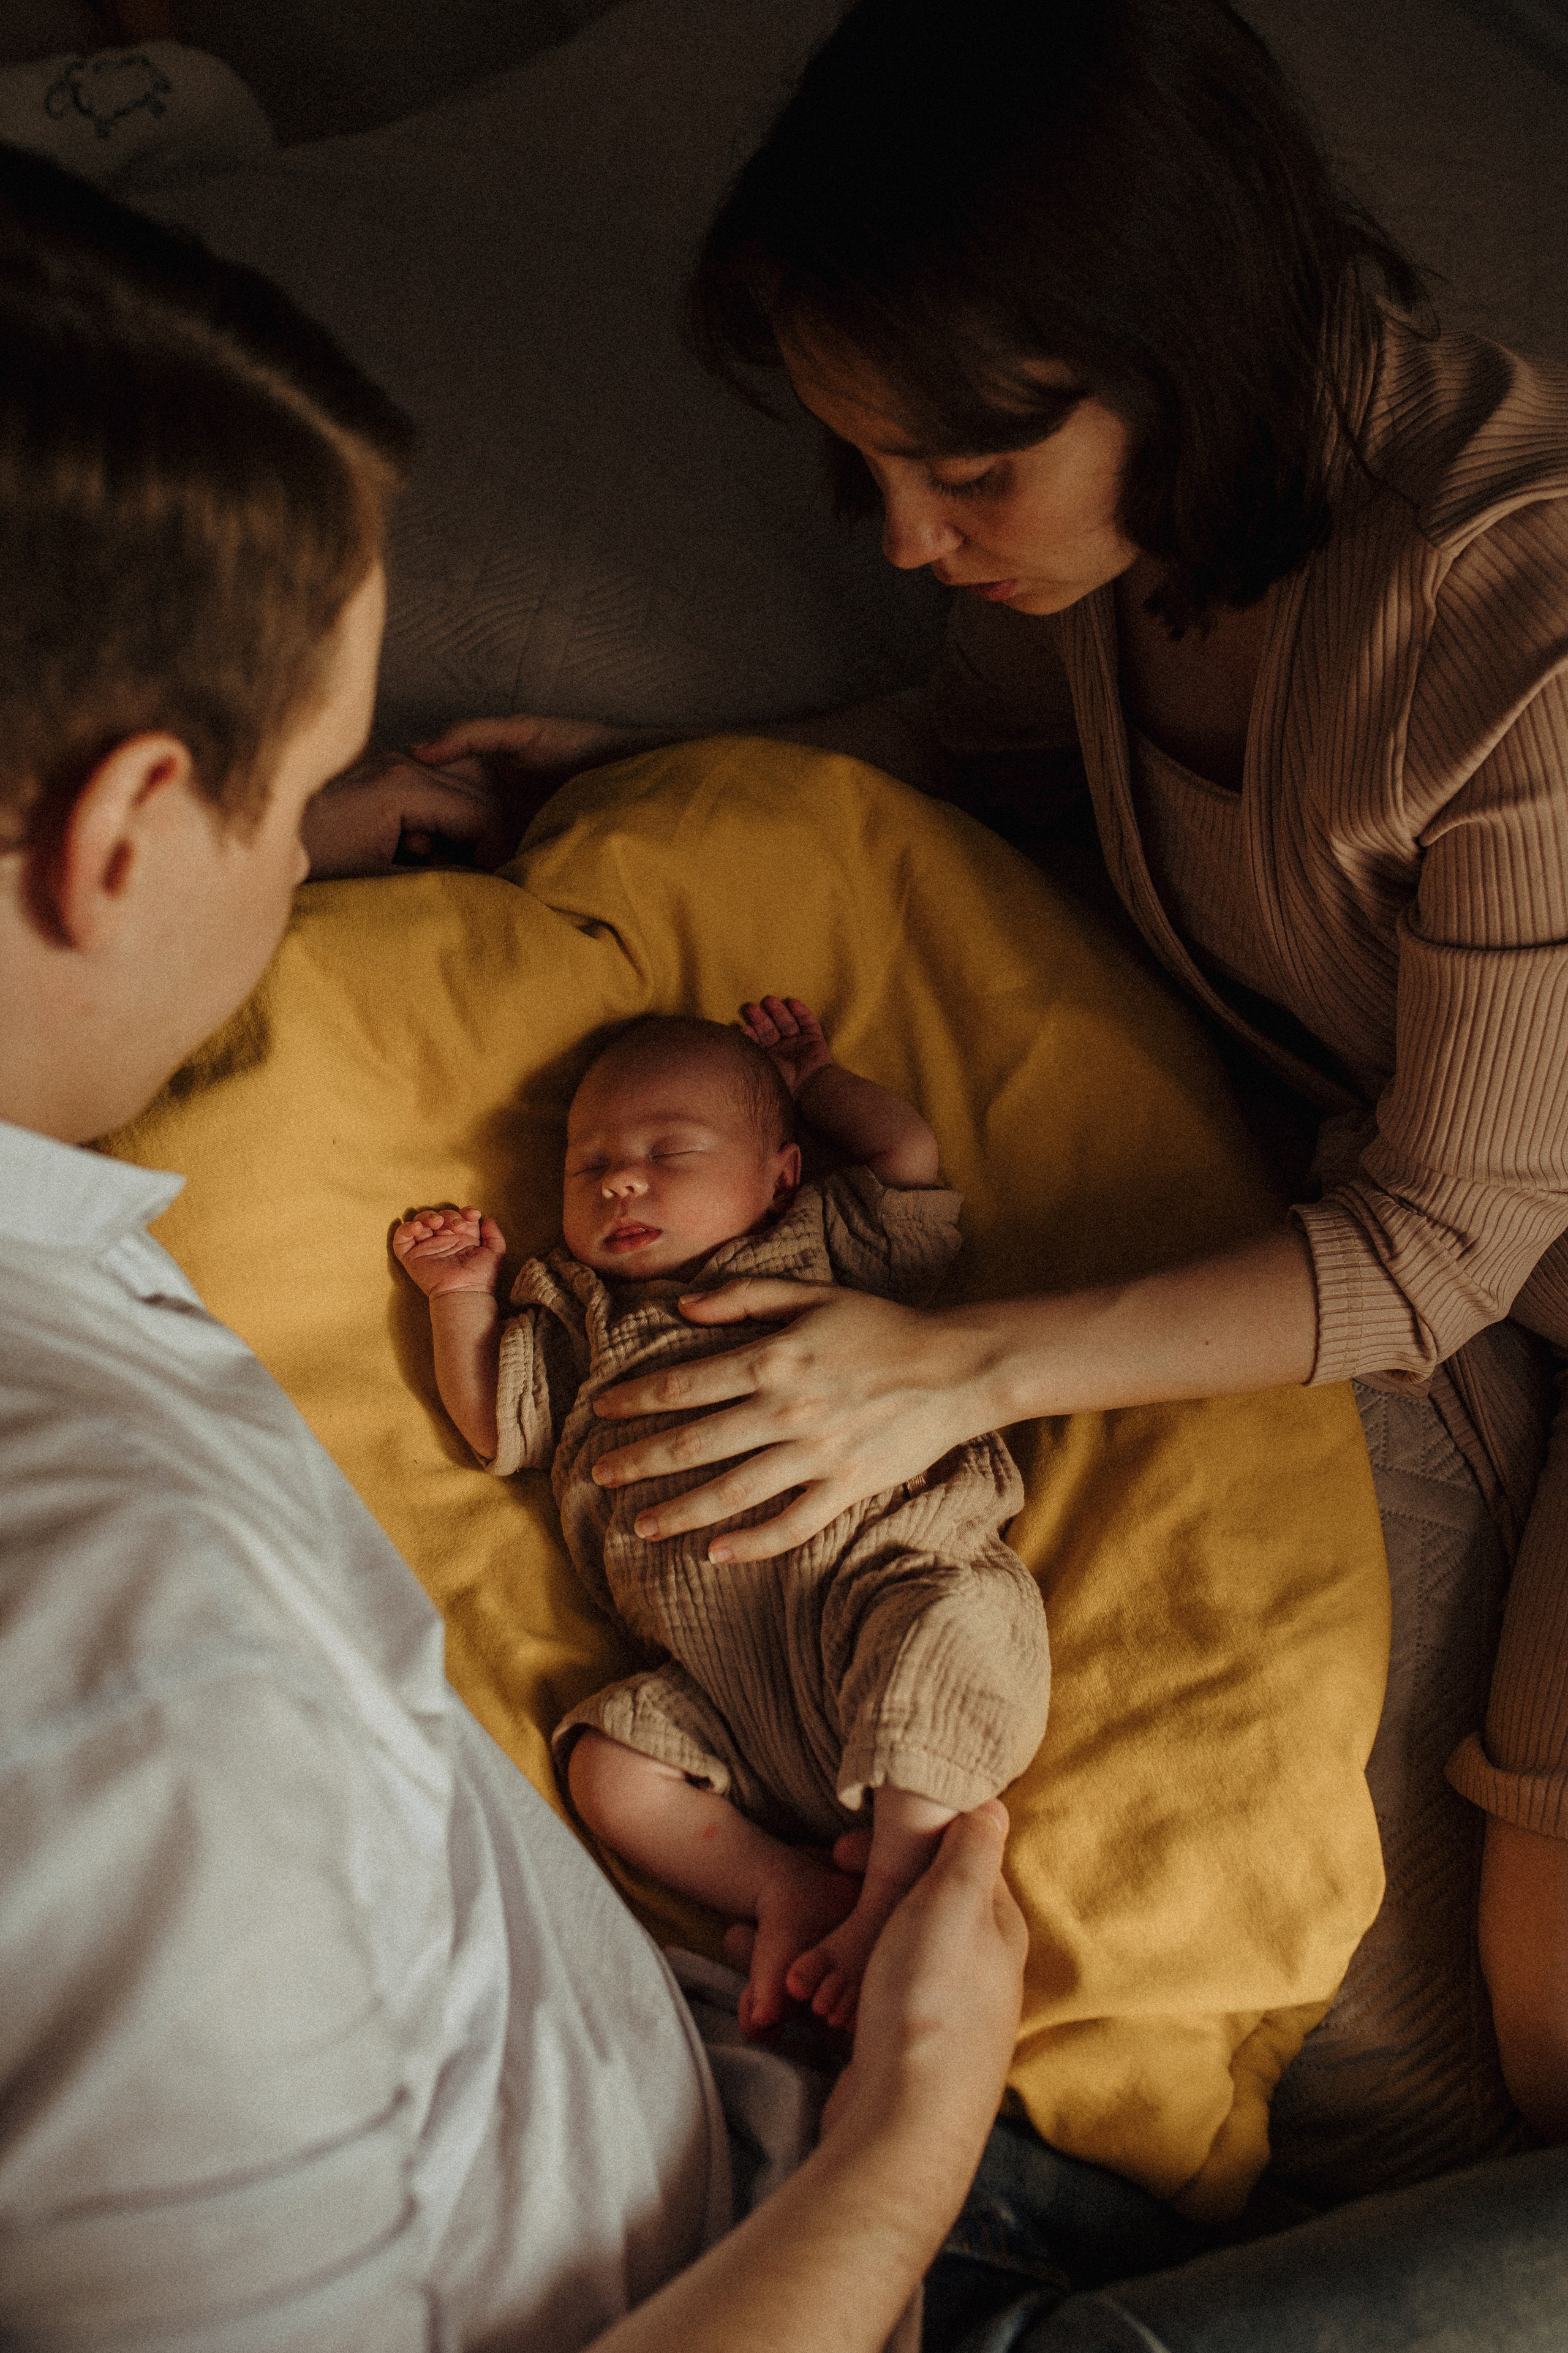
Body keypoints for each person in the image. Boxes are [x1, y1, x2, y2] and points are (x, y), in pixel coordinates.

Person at [388, 0, 1568, 2161]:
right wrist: (627, 783)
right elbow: (984, 765)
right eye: (872, 472)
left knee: (1531, 2010)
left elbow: (1447, 1243)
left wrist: (943, 1369)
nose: (914, 541)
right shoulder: (1127, 536)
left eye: (968, 474)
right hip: (1398, 1244)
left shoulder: (1520, 618)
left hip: (1469, 1254)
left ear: (1182, 346)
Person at [0, 143, 1030, 2351]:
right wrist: (922, 2130)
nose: (312, 873)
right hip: (826, 2232)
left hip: (728, 2034)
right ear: (116, 836)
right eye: (295, 807)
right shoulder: (131, 1674)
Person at [392, 1001, 1049, 2035]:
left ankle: (886, 1907)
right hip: (725, 1693)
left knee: (950, 1632)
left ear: (779, 1174)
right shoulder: (571, 1307)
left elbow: (910, 1159)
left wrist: (815, 1084)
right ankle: (784, 1885)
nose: (620, 1180)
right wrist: (460, 1296)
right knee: (606, 1766)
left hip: (888, 1582)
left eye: (670, 1152)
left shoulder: (816, 1241)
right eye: (590, 1162)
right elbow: (492, 1426)